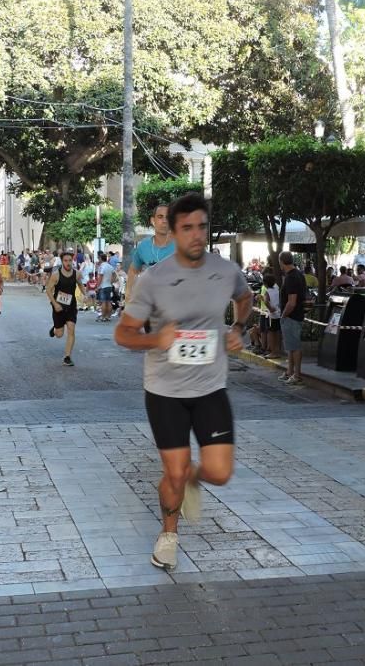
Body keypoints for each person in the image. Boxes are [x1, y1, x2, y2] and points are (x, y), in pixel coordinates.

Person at [114, 192, 252, 572]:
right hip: (165, 392)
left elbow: (245, 297)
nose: (196, 235)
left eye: (202, 227)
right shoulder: (153, 280)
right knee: (173, 471)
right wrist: (154, 340)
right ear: (172, 231)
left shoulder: (225, 271)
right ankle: (168, 536)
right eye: (187, 228)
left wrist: (239, 327)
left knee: (220, 473)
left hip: (210, 388)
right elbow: (123, 334)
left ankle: (190, 477)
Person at [127, 201, 175, 303]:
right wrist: (128, 297)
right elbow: (133, 270)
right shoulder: (144, 246)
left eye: (168, 217)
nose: (164, 221)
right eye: (160, 217)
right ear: (153, 221)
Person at [47, 250, 81, 366]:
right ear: (62, 261)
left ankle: (67, 357)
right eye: (66, 261)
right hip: (59, 307)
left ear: (73, 261)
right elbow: (48, 290)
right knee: (59, 335)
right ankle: (55, 328)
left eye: (70, 261)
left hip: (71, 306)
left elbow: (80, 284)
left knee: (71, 329)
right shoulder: (56, 275)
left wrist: (85, 294)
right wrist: (55, 304)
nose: (68, 263)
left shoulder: (77, 274)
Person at [279, 251, 307, 385]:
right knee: (290, 346)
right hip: (296, 314)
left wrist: (283, 315)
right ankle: (290, 372)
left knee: (294, 346)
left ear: (282, 262)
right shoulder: (299, 275)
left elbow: (292, 301)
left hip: (292, 316)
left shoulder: (291, 277)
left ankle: (296, 374)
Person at [96, 253, 116, 322]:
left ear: (101, 259)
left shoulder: (102, 266)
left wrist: (97, 286)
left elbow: (100, 277)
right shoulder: (110, 266)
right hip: (109, 286)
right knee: (109, 301)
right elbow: (114, 275)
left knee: (104, 302)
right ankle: (108, 316)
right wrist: (111, 281)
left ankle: (103, 316)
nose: (98, 259)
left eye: (99, 258)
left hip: (103, 286)